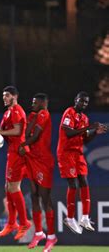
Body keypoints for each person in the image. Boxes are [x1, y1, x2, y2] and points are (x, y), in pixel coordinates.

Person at [57, 91, 107, 234]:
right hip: (66, 153)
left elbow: (84, 139)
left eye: (86, 102)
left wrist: (95, 132)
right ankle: (70, 218)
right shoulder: (69, 112)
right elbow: (68, 132)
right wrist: (89, 127)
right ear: (76, 100)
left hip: (78, 153)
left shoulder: (84, 118)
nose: (83, 104)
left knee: (84, 181)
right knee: (73, 183)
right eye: (81, 101)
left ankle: (84, 217)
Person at [0, 86, 31, 240]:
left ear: (15, 96)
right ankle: (12, 223)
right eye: (3, 95)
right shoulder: (8, 112)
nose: (4, 98)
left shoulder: (17, 110)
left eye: (7, 95)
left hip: (19, 152)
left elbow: (18, 131)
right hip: (12, 152)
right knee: (8, 187)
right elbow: (1, 133)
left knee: (14, 187)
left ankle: (24, 222)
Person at [18, 93, 57, 250]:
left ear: (43, 103)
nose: (32, 104)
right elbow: (26, 133)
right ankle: (39, 233)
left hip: (43, 161)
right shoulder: (32, 115)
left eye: (35, 102)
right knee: (33, 195)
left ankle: (52, 237)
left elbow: (35, 136)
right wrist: (24, 142)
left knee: (45, 198)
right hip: (31, 159)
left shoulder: (44, 114)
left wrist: (23, 144)